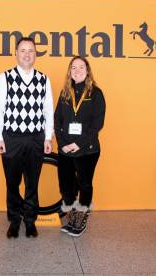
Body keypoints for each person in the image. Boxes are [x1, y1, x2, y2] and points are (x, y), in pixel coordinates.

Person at [0, 37, 54, 238]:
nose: (27, 54)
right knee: (12, 183)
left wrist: (48, 137)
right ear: (16, 53)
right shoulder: (5, 77)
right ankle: (14, 221)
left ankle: (30, 221)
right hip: (12, 138)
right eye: (23, 50)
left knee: (32, 183)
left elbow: (48, 111)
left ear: (35, 54)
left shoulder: (44, 79)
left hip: (36, 138)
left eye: (31, 51)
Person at [54, 55, 106, 237]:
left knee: (84, 184)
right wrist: (63, 144)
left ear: (87, 70)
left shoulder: (96, 93)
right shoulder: (65, 93)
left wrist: (78, 144)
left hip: (88, 150)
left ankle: (81, 217)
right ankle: (72, 215)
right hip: (66, 150)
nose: (77, 71)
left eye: (81, 67)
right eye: (73, 68)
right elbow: (57, 120)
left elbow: (97, 124)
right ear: (69, 72)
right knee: (66, 186)